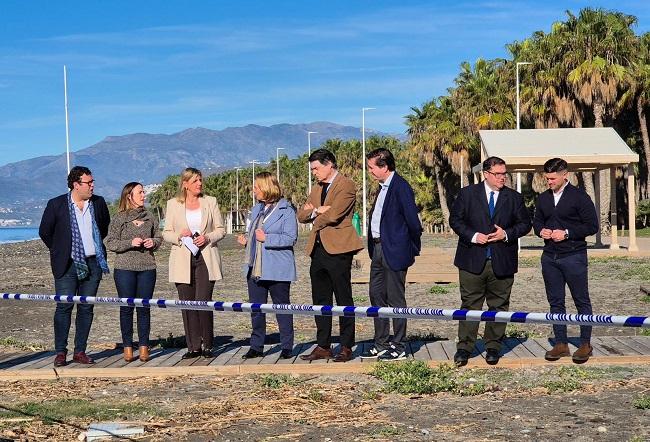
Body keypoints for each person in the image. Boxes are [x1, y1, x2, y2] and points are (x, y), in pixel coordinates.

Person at [449, 156, 531, 367]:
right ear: (486, 174)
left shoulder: (513, 198)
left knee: (499, 305)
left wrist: (506, 233)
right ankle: (464, 347)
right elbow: (455, 220)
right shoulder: (468, 194)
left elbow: (525, 224)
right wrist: (474, 236)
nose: (502, 178)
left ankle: (493, 346)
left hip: (502, 260)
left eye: (505, 174)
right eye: (498, 174)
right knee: (469, 305)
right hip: (471, 260)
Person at [39, 165, 110, 367]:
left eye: (92, 182)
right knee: (64, 307)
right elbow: (45, 232)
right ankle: (61, 352)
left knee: (86, 308)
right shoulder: (56, 205)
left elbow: (103, 228)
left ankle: (80, 351)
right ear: (76, 185)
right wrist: (60, 250)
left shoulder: (98, 203)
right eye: (89, 183)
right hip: (66, 264)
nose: (93, 186)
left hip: (93, 262)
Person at [297, 148, 363, 362]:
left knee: (343, 298)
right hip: (317, 250)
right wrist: (317, 211)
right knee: (320, 299)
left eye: (316, 168)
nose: (314, 172)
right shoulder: (316, 188)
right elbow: (301, 214)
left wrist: (316, 215)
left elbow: (335, 214)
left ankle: (346, 345)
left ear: (329, 165)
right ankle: (323, 345)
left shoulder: (346, 185)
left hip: (339, 250)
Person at [533, 158, 599, 364]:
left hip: (574, 256)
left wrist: (568, 233)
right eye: (547, 179)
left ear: (565, 175)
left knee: (581, 300)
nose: (549, 182)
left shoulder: (580, 197)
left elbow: (592, 226)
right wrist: (540, 230)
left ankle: (585, 343)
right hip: (549, 257)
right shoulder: (543, 198)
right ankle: (561, 343)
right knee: (555, 301)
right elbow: (537, 222)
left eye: (552, 178)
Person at [361, 148, 422, 361]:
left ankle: (399, 345)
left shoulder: (401, 187)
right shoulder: (382, 187)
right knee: (376, 295)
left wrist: (411, 248)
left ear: (384, 166)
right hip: (377, 249)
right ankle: (381, 342)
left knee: (396, 298)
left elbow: (413, 223)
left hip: (395, 251)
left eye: (371, 167)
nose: (369, 171)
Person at [162, 167, 226, 359]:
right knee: (187, 303)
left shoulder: (210, 202)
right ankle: (193, 346)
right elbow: (166, 233)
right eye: (195, 181)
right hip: (183, 258)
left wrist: (207, 238)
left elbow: (221, 230)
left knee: (203, 302)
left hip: (206, 257)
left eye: (200, 180)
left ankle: (208, 344)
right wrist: (179, 236)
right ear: (185, 184)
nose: (199, 184)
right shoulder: (173, 204)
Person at [236, 172, 297, 360]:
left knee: (282, 308)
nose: (253, 191)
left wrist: (267, 239)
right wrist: (247, 239)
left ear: (266, 187)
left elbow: (290, 238)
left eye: (256, 187)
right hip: (255, 267)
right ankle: (256, 346)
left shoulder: (286, 210)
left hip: (278, 269)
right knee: (256, 309)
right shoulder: (256, 210)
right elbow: (253, 233)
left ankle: (287, 345)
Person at [106, 182, 162, 363]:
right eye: (140, 192)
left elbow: (159, 238)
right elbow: (111, 243)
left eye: (144, 192)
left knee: (144, 308)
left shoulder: (150, 216)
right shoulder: (119, 218)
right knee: (127, 308)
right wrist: (130, 242)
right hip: (124, 269)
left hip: (147, 268)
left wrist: (153, 242)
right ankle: (128, 347)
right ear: (129, 196)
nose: (144, 195)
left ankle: (144, 347)